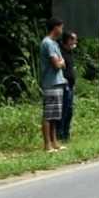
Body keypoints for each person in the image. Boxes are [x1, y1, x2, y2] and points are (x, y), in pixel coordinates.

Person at [39, 18, 67, 152]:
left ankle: (54, 142)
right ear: (55, 28)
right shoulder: (48, 43)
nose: (62, 30)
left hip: (58, 82)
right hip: (50, 82)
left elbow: (63, 62)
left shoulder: (54, 43)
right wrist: (60, 62)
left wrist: (61, 62)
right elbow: (57, 64)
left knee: (55, 115)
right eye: (61, 27)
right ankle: (47, 145)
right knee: (48, 115)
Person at [55, 31, 78, 142]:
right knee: (63, 110)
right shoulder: (60, 52)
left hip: (71, 85)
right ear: (68, 40)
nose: (75, 42)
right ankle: (59, 134)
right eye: (74, 39)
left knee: (69, 111)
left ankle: (66, 133)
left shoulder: (70, 52)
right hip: (64, 85)